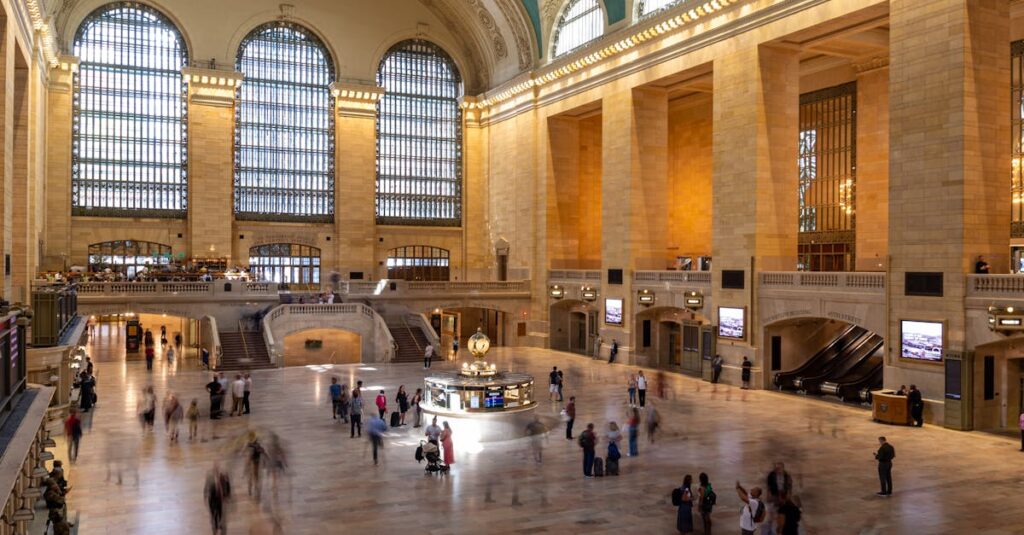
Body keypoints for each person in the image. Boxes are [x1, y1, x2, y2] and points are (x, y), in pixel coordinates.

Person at [204, 463, 231, 535]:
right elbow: (206, 486)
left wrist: (227, 495)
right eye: (215, 469)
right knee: (214, 514)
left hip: (219, 499)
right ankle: (215, 525)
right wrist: (205, 495)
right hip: (212, 499)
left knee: (220, 512)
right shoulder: (210, 478)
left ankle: (219, 523)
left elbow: (227, 486)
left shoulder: (222, 477)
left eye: (217, 469)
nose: (216, 471)